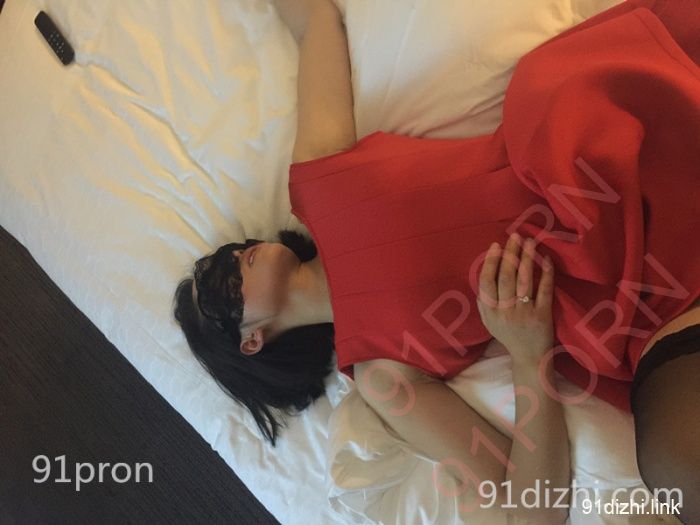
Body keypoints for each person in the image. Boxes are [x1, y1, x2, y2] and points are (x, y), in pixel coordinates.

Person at [174, 0, 700, 523]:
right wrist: (528, 354)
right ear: (251, 341)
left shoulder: (315, 177)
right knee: (679, 468)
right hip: (621, 286)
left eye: (224, 257)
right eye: (220, 285)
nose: (235, 256)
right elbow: (531, 512)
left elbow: (316, 19)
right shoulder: (382, 376)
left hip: (598, 150)